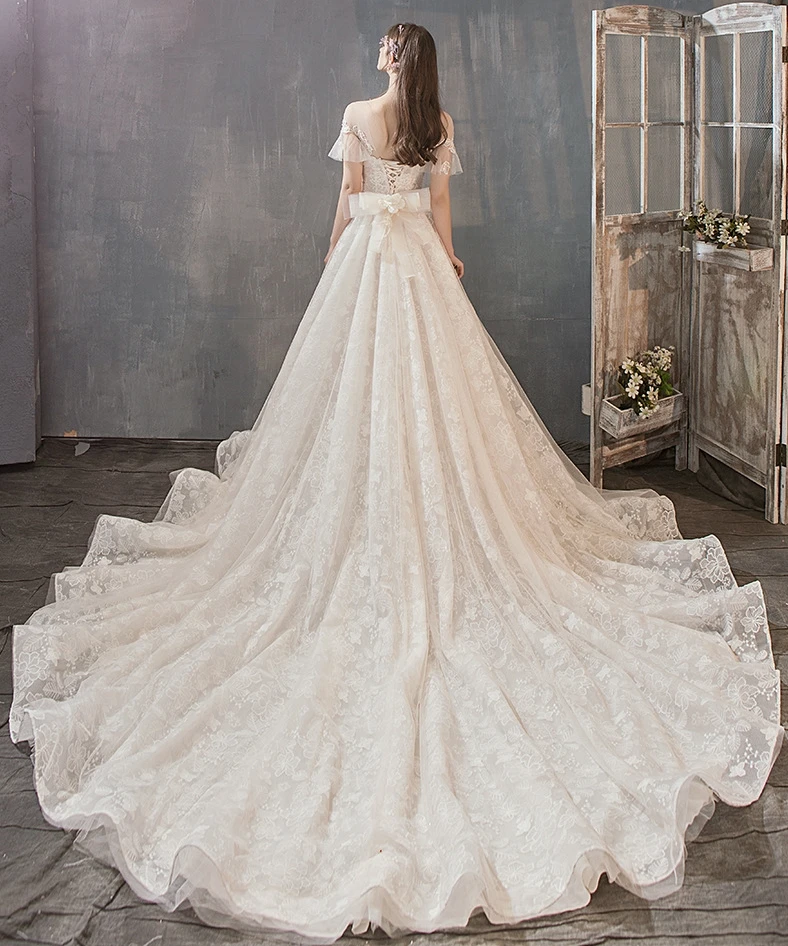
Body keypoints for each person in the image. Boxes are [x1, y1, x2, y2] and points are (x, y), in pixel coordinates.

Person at [9, 21, 784, 945]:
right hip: (415, 262)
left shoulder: (356, 114)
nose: (378, 55)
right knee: (434, 404)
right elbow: (441, 214)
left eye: (384, 47)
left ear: (391, 59)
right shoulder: (435, 117)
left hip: (373, 266)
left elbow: (345, 203)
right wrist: (448, 264)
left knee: (370, 402)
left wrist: (336, 256)